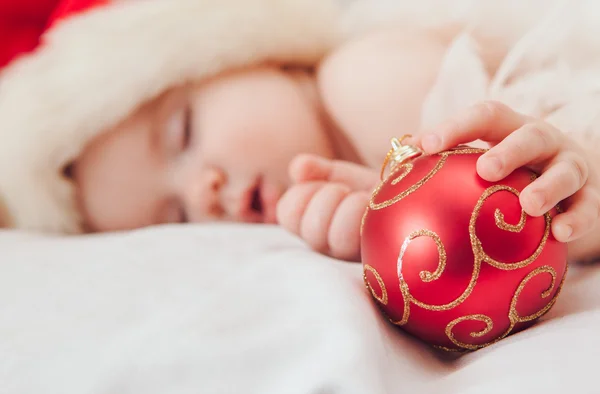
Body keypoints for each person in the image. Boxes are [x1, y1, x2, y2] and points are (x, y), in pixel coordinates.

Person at [1, 0, 599, 263]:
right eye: (173, 217)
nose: (204, 189)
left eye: (183, 133)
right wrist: (377, 224)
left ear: (249, 51)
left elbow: (518, 196)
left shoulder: (361, 77)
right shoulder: (332, 192)